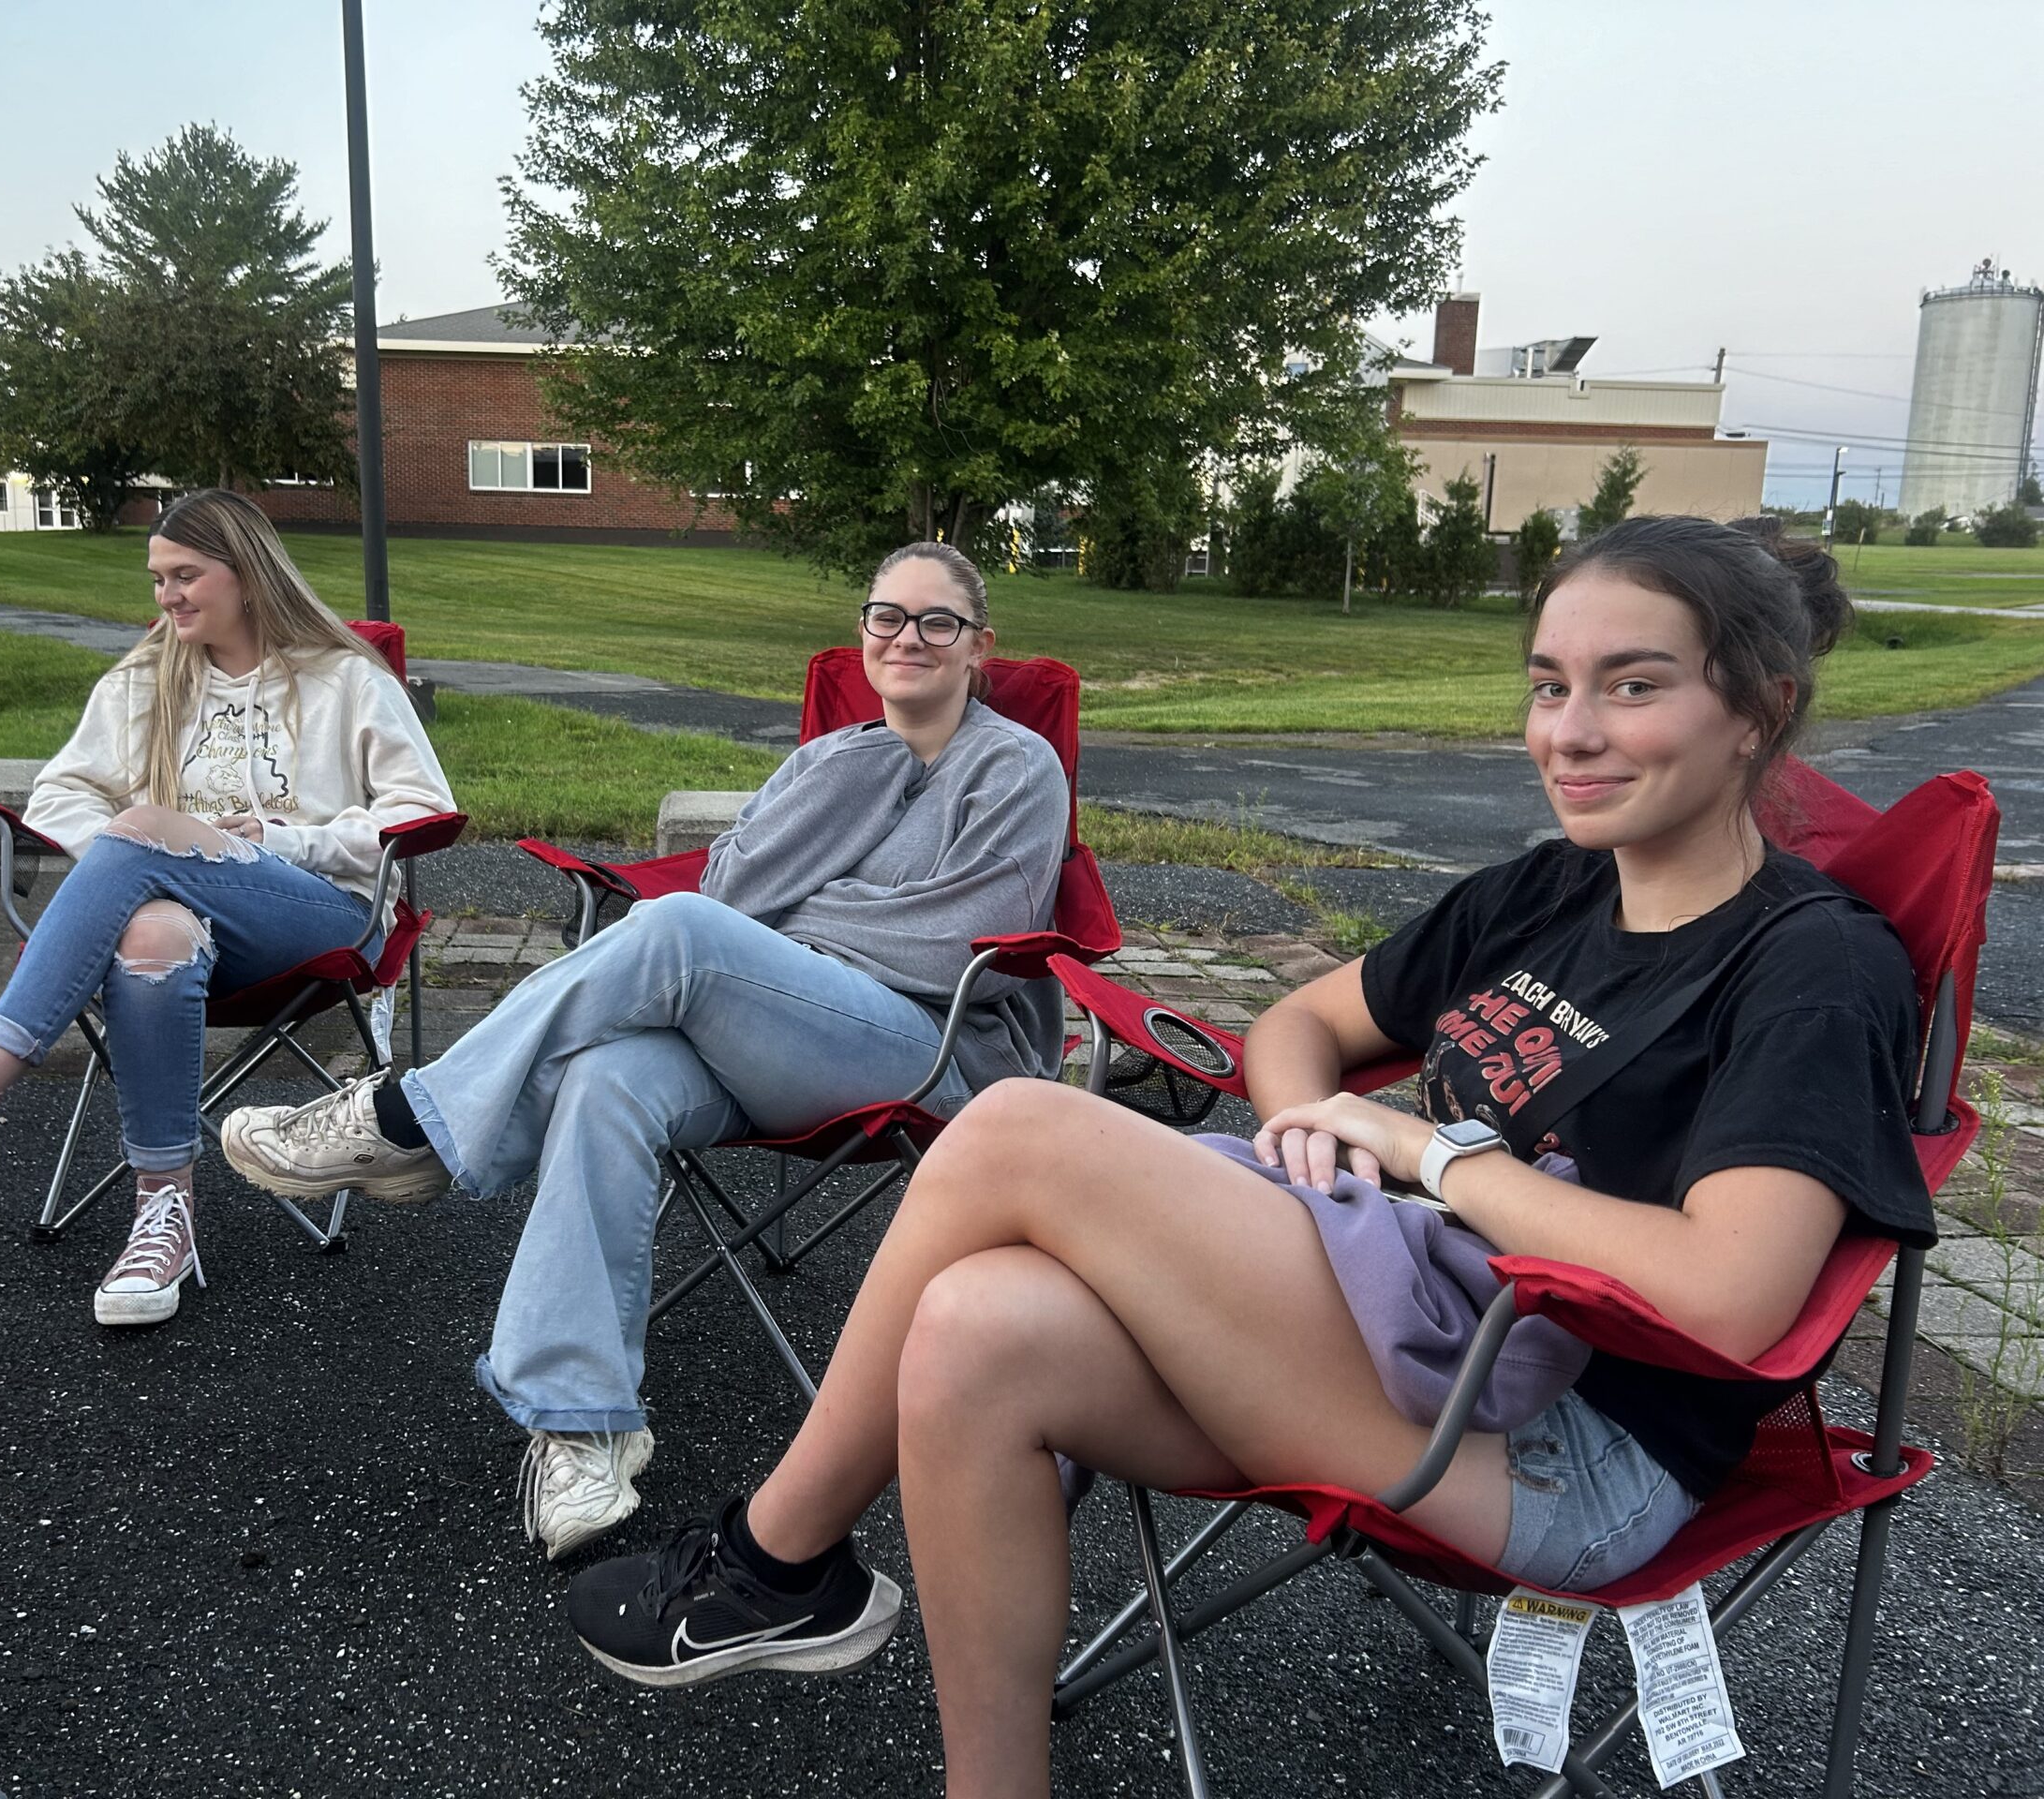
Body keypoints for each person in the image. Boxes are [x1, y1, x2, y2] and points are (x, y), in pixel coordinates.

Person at [566, 515, 1935, 1795]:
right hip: (1404, 1319)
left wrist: (1424, 1153)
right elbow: (1298, 1026)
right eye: (1548, 685)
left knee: (1022, 1125)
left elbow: (1732, 1297)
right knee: (975, 1326)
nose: (1570, 732)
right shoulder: (1550, 890)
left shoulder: (1808, 966)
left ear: (1758, 710)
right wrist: (1312, 1134)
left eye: (1632, 687)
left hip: (1574, 1447)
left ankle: (776, 1561)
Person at [216, 542, 1070, 1558]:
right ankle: (583, 1423)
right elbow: (735, 887)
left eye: (938, 622)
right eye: (887, 616)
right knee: (605, 1077)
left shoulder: (1017, 766)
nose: (908, 638)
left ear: (979, 646)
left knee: (675, 933)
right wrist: (861, 779)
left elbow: (956, 942)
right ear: (863, 633)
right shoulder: (832, 760)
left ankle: (409, 1119)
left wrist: (788, 932)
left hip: (923, 1053)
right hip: (770, 1035)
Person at [0, 489, 454, 1327]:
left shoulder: (345, 678)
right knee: (151, 933)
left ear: (247, 572)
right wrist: (140, 867)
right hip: (186, 929)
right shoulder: (144, 680)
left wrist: (284, 839)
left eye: (185, 575)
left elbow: (421, 809)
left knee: (144, 831)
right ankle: (164, 1215)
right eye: (158, 579)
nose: (167, 596)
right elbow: (61, 794)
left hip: (319, 916)